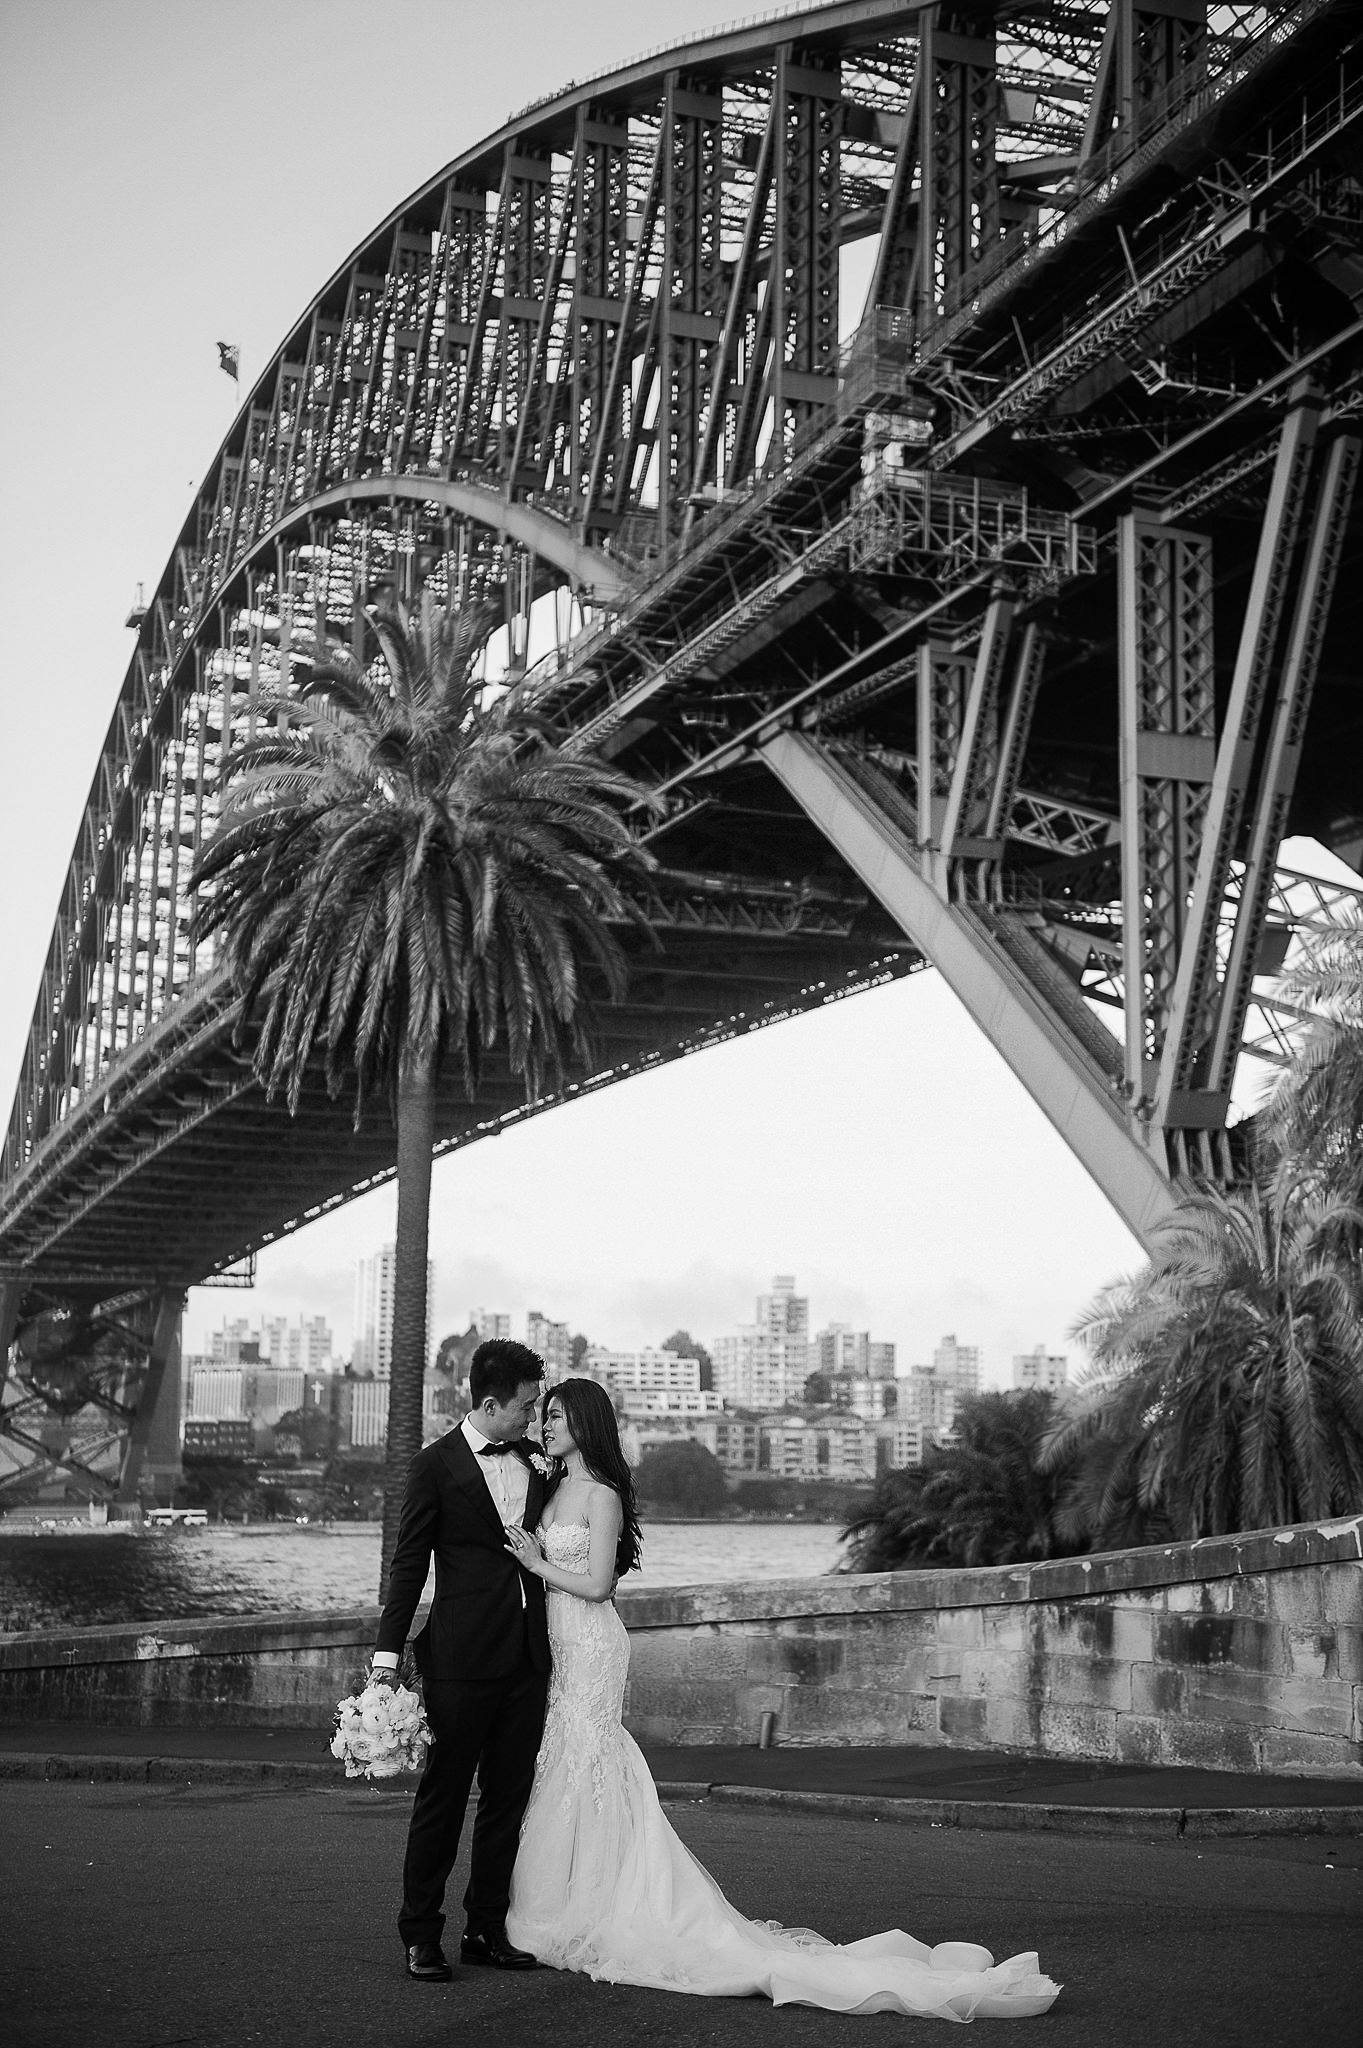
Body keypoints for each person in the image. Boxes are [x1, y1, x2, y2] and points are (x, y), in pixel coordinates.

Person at [503, 1377, 1061, 2022]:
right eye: (543, 1415)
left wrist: (536, 1563)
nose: (545, 1425)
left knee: (587, 1757)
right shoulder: (549, 1485)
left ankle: (597, 1906)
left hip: (592, 1641)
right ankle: (563, 1899)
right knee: (561, 1760)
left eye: (558, 1416)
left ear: (588, 1424)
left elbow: (598, 1584)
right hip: (557, 1642)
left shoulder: (600, 1495)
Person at [369, 1338, 553, 1983]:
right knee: (443, 1799)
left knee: (509, 1798)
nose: (533, 1419)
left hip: (530, 1660)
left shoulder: (537, 1460)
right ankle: (421, 1933)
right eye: (526, 1407)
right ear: (490, 1402)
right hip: (458, 1660)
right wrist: (387, 1657)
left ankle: (486, 1927)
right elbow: (408, 1565)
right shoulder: (433, 1466)